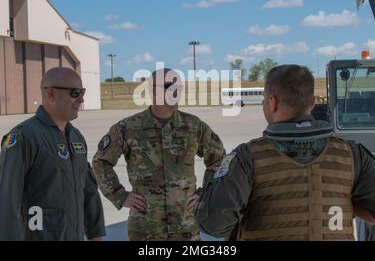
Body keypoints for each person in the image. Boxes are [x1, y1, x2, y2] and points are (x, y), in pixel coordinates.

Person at [195, 64, 375, 241]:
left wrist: (202, 203)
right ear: (312, 103)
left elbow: (214, 225)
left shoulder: (247, 157)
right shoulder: (352, 154)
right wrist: (341, 200)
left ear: (272, 102)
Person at [92, 68, 225, 241]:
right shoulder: (129, 128)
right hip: (145, 230)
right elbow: (100, 161)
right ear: (154, 90)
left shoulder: (194, 126)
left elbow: (220, 159)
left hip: (185, 227)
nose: (176, 91)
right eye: (170, 86)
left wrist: (206, 192)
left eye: (179, 86)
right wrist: (119, 195)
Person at [0, 67, 105, 241]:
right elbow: (7, 202)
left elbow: (88, 190)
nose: (81, 99)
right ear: (50, 94)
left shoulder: (76, 137)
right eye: (75, 92)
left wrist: (96, 234)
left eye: (82, 92)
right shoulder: (24, 137)